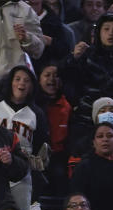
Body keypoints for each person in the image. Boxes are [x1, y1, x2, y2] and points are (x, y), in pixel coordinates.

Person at [62, 11, 113, 134]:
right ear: (99, 32)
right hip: (85, 119)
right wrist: (73, 58)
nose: (110, 33)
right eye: (106, 29)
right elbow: (69, 81)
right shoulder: (87, 57)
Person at [0, 64, 49, 210]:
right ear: (10, 82)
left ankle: (33, 203)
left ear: (32, 86)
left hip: (21, 166)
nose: (22, 83)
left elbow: (39, 145)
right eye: (17, 79)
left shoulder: (37, 113)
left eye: (27, 80)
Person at [69, 121, 113, 210]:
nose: (105, 139)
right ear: (93, 142)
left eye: (110, 136)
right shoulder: (84, 167)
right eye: (100, 136)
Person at [33, 60, 70, 196]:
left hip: (59, 157)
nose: (52, 79)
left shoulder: (66, 106)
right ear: (39, 79)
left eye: (56, 75)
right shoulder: (33, 105)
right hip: (36, 157)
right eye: (47, 75)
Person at [25, 0, 72, 73]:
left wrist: (50, 41)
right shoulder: (16, 17)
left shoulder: (53, 21)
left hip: (46, 70)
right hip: (22, 68)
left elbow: (65, 50)